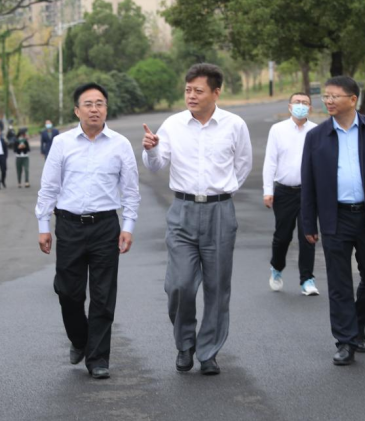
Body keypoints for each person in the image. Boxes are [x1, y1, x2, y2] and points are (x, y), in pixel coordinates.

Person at [142, 63, 252, 376]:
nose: (191, 95)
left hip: (220, 212)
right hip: (182, 210)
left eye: (198, 90)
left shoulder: (234, 125)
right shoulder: (173, 124)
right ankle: (185, 343)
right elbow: (155, 165)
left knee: (217, 287)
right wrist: (151, 150)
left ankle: (208, 352)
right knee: (179, 285)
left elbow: (243, 165)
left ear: (216, 93)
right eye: (188, 89)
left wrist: (222, 192)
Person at [36, 83, 141, 380]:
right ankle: (80, 339)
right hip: (69, 225)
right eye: (88, 104)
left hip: (106, 226)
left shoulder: (120, 144)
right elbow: (49, 187)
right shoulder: (62, 143)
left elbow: (131, 191)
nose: (94, 109)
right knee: (67, 292)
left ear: (106, 108)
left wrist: (128, 226)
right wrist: (43, 226)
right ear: (77, 110)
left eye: (100, 103)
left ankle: (98, 358)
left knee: (103, 295)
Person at [301, 76, 365, 367]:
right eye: (326, 96)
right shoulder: (316, 136)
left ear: (353, 99)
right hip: (335, 218)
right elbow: (308, 184)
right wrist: (308, 223)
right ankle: (345, 341)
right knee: (339, 283)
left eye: (335, 96)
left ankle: (357, 327)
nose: (329, 101)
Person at [263, 92, 319, 296]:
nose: (301, 106)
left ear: (310, 108)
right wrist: (268, 190)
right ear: (289, 106)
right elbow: (270, 161)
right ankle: (276, 268)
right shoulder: (278, 130)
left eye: (305, 103)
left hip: (308, 193)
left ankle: (307, 279)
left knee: (308, 235)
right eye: (297, 102)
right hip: (284, 191)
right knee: (283, 236)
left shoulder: (316, 131)